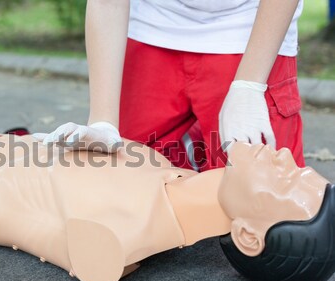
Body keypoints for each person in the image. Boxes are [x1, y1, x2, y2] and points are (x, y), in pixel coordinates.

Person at [0, 134, 335, 281]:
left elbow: (20, 222)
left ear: (248, 236)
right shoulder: (166, 172)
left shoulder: (115, 236)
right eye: (299, 168)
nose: (284, 156)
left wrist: (111, 255)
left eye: (286, 182)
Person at [33, 0, 304, 171]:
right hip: (153, 27)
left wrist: (249, 85)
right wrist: (103, 123)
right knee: (118, 198)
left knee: (271, 226)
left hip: (246, 28)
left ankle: (200, 141)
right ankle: (193, 147)